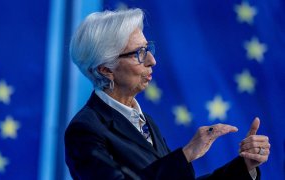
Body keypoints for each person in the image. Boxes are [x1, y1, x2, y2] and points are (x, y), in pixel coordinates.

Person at [65, 8, 270, 180]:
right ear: (106, 69)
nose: (152, 60)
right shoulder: (85, 130)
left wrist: (245, 167)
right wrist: (186, 154)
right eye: (139, 53)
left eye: (148, 49)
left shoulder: (145, 122)